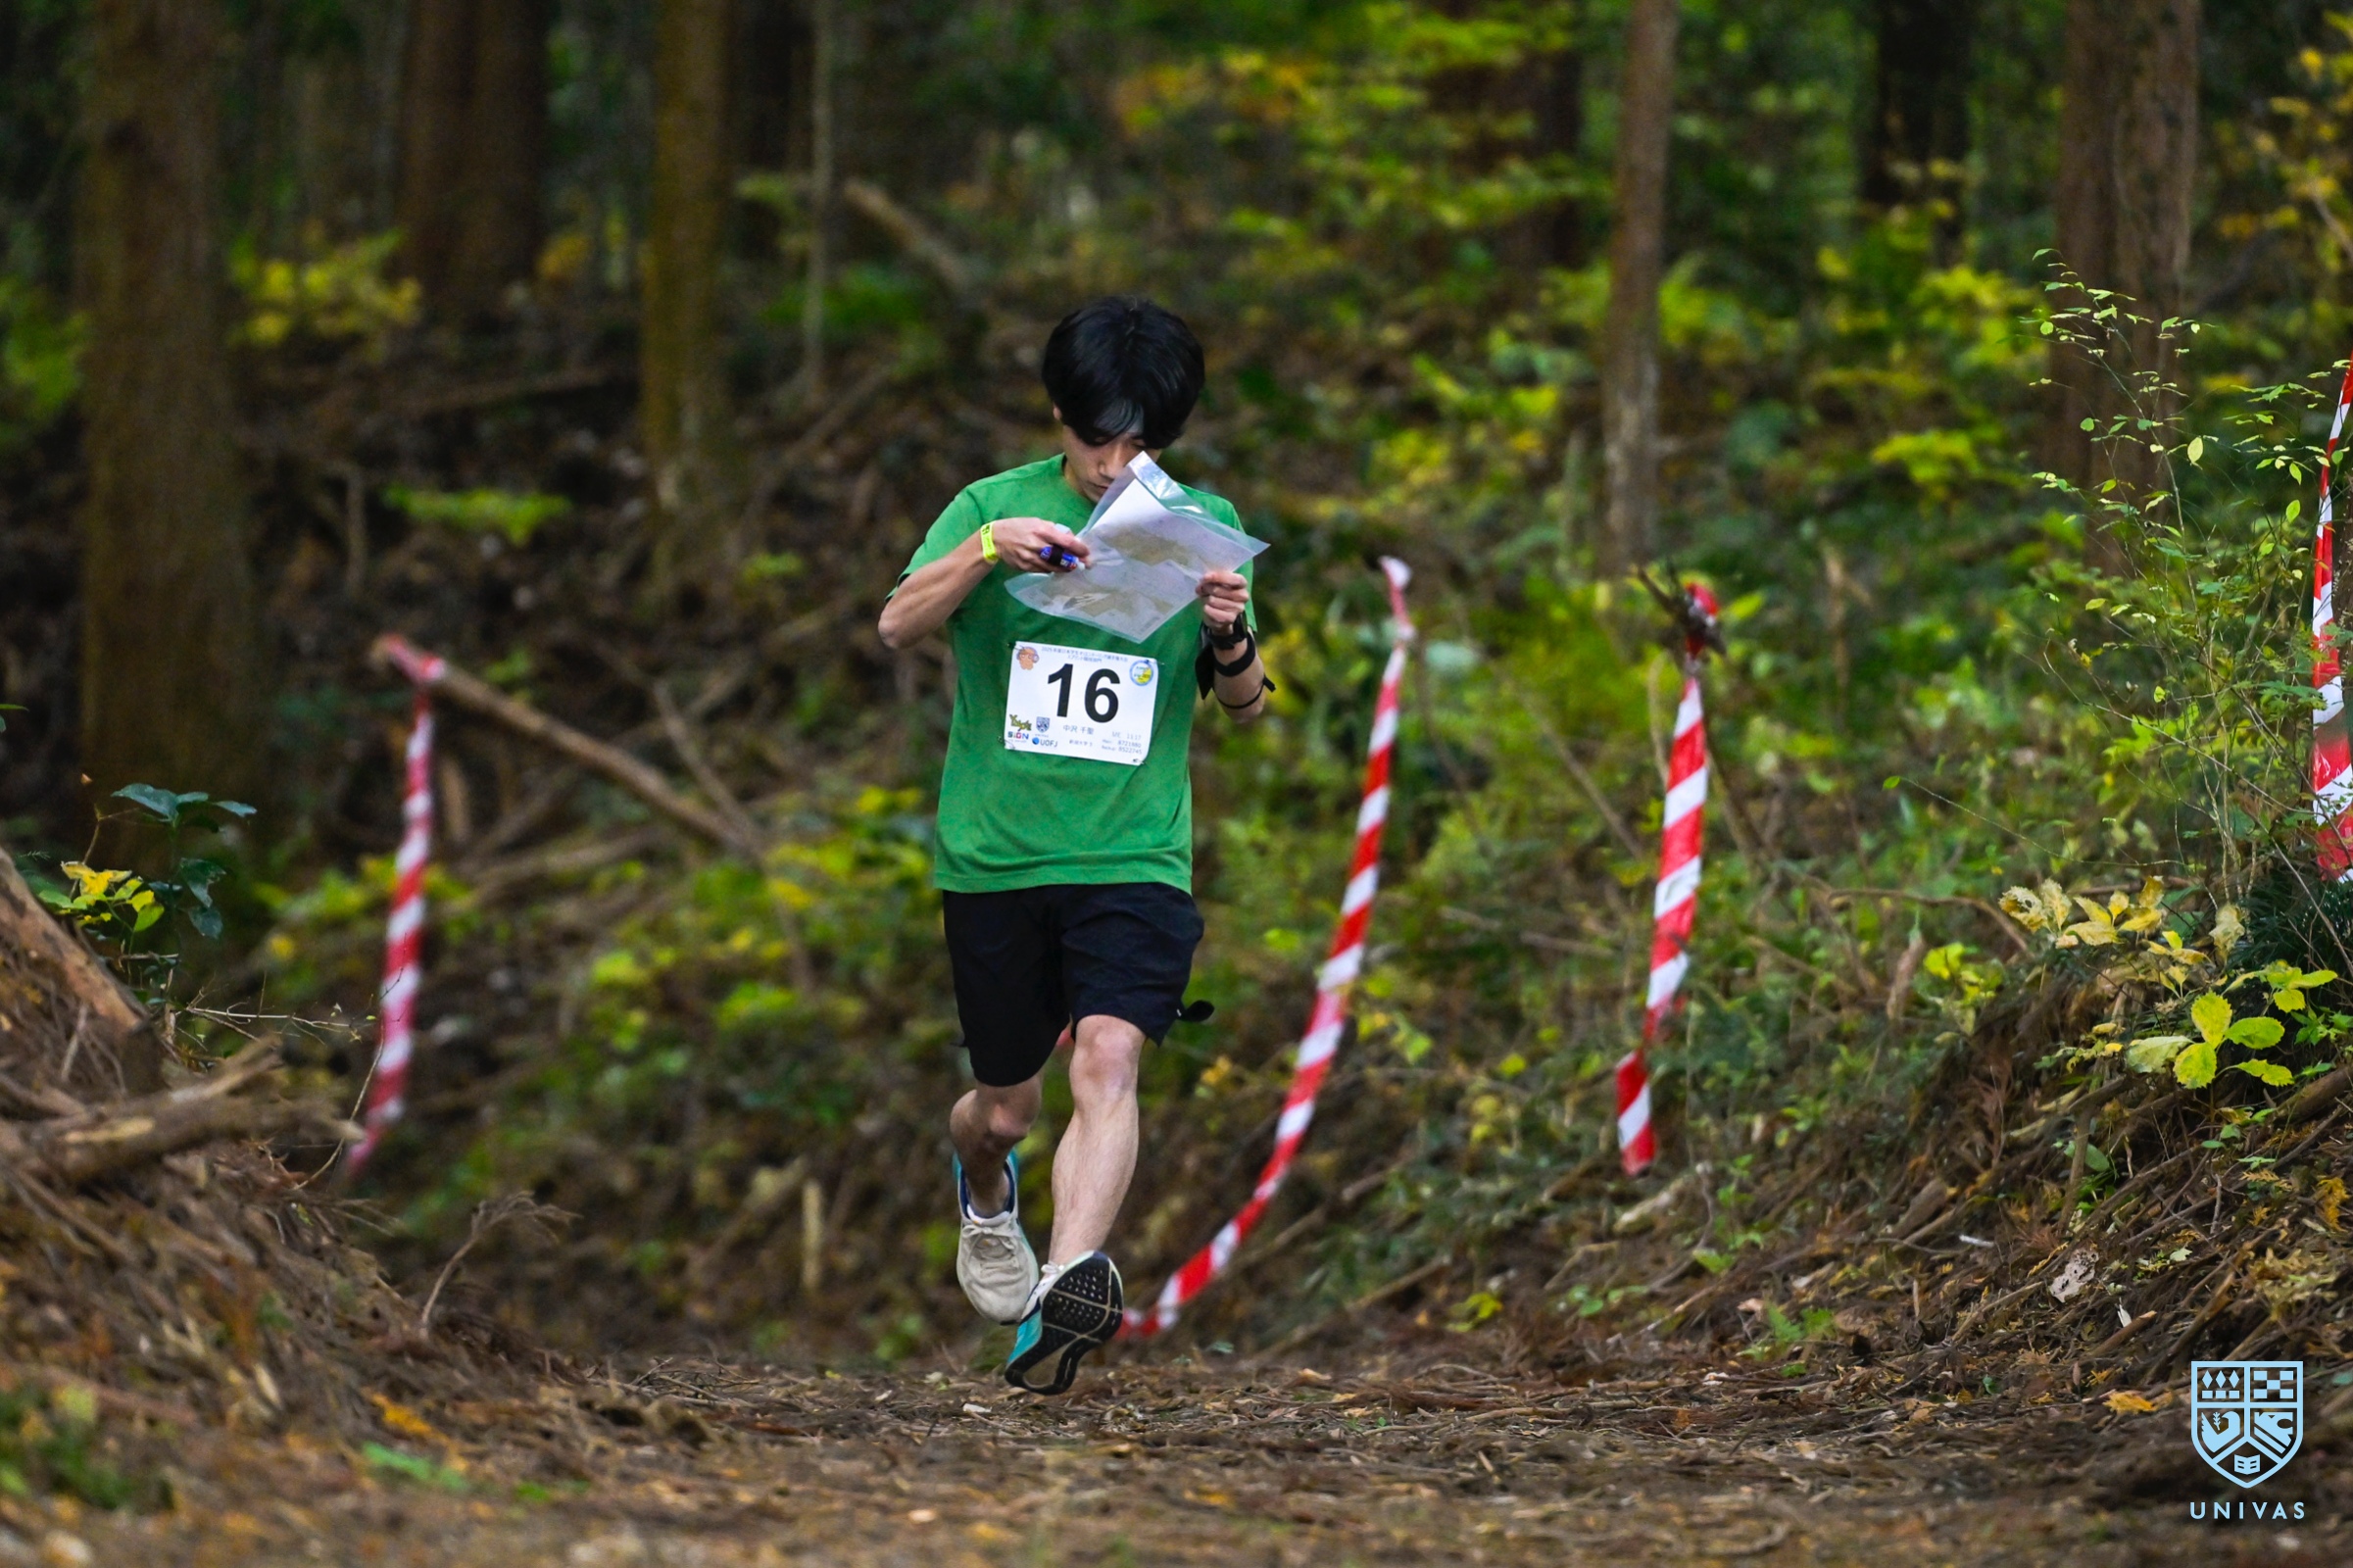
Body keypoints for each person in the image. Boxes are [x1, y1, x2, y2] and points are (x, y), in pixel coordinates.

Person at [877, 297, 1271, 1395]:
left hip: (1134, 853)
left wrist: (1229, 630)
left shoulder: (1199, 522)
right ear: (1060, 414)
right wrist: (985, 551)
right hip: (999, 854)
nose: (1116, 465)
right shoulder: (989, 506)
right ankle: (983, 1185)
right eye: (1100, 439)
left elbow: (1247, 705)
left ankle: (1059, 1299)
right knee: (1005, 1107)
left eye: (1142, 444)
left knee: (1108, 1056)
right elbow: (897, 624)